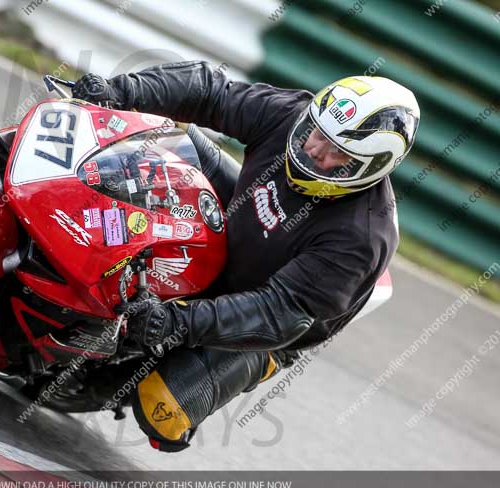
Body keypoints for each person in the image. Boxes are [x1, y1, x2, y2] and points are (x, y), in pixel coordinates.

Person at [71, 61, 420, 452]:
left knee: (163, 407)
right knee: (158, 146)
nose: (313, 149)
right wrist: (120, 91)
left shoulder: (361, 237)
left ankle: (116, 378)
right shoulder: (292, 116)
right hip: (242, 212)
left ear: (367, 167)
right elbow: (210, 91)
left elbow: (276, 314)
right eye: (315, 133)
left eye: (335, 153)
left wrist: (173, 321)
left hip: (271, 320)